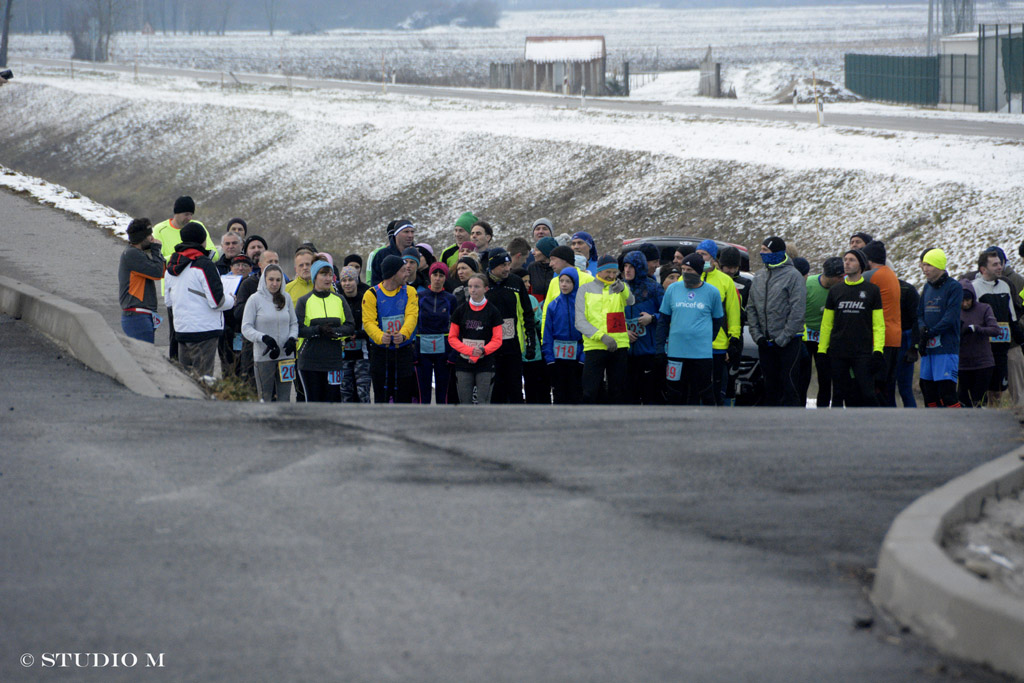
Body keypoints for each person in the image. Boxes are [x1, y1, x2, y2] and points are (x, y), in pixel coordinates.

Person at [164, 222, 235, 377]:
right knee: (203, 379)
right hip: (204, 332)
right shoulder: (204, 264)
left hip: (182, 331)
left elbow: (168, 302)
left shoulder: (172, 266)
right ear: (202, 241)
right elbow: (217, 303)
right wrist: (232, 299)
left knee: (186, 380)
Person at [816, 250, 885, 407]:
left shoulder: (872, 290)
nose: (846, 263)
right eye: (845, 259)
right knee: (838, 393)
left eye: (851, 260)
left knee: (867, 392)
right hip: (838, 350)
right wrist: (821, 350)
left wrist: (879, 350)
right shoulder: (835, 290)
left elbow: (878, 324)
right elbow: (827, 323)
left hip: (862, 351)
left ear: (860, 265)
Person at [656, 253, 725, 405]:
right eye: (684, 269)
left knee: (704, 392)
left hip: (701, 354)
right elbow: (663, 321)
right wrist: (660, 348)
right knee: (674, 393)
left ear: (699, 271)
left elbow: (718, 320)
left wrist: (706, 339)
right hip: (676, 353)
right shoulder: (673, 289)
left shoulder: (712, 292)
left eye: (690, 270)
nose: (686, 274)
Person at [153, 196, 215, 360]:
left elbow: (211, 252)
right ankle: (175, 363)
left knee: (196, 329)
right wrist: (182, 257)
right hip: (174, 289)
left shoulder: (198, 227)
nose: (189, 218)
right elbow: (156, 258)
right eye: (186, 214)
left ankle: (195, 364)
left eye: (191, 214)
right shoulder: (160, 229)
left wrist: (188, 256)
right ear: (176, 213)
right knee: (176, 331)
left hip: (197, 287)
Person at [747, 236, 806, 407]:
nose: (761, 253)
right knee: (769, 386)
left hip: (788, 342)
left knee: (789, 385)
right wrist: (757, 336)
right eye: (761, 249)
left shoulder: (793, 276)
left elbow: (797, 310)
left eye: (766, 250)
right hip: (765, 342)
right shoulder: (759, 276)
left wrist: (783, 338)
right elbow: (751, 308)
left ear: (777, 252)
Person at [295, 261, 355, 403]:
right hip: (310, 361)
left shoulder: (339, 299)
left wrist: (335, 332)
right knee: (314, 403)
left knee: (333, 401)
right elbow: (298, 329)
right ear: (315, 277)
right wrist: (318, 330)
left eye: (330, 275)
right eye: (323, 274)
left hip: (333, 361)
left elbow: (350, 325)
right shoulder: (304, 300)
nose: (328, 278)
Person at [576, 255, 633, 403]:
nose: (611, 276)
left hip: (619, 346)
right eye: (608, 272)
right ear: (599, 271)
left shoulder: (621, 287)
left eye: (614, 272)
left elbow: (630, 301)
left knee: (618, 391)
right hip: (594, 346)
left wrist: (623, 290)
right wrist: (601, 336)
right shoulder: (585, 290)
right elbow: (580, 322)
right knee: (590, 391)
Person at [363, 255, 419, 403]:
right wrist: (380, 336)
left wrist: (403, 334)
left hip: (403, 350)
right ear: (393, 274)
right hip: (380, 352)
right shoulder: (371, 294)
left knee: (404, 395)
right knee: (382, 395)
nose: (407, 273)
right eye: (402, 270)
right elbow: (368, 322)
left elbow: (412, 316)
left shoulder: (410, 291)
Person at [484, 250, 537, 404]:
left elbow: (527, 314)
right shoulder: (483, 283)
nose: (507, 268)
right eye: (503, 265)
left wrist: (530, 344)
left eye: (508, 264)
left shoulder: (515, 282)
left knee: (515, 391)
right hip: (490, 347)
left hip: (513, 345)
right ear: (492, 266)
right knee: (495, 391)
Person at [241, 265, 298, 402]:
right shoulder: (255, 300)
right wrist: (263, 337)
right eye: (271, 279)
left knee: (284, 397)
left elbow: (294, 323)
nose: (274, 283)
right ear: (264, 280)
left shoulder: (287, 298)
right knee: (265, 396)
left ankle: (284, 423)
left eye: (278, 280)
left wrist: (292, 338)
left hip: (286, 356)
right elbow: (246, 327)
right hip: (264, 356)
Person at [695, 239, 742, 405]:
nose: (700, 257)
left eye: (704, 254)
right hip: (693, 344)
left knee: (716, 391)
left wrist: (734, 338)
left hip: (718, 344)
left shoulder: (726, 281)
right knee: (695, 390)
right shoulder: (687, 278)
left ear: (713, 257)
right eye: (698, 254)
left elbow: (733, 313)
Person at [918, 248, 964, 408]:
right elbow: (920, 314)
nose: (925, 269)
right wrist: (923, 330)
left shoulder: (954, 287)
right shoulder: (927, 287)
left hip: (946, 348)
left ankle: (958, 424)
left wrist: (930, 332)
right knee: (928, 391)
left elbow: (950, 318)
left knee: (947, 393)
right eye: (923, 265)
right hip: (929, 349)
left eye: (929, 265)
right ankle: (934, 425)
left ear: (939, 265)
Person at [448, 273, 504, 404]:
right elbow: (452, 338)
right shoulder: (460, 310)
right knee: (465, 402)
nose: (473, 290)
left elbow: (497, 339)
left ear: (486, 289)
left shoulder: (493, 311)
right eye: (470, 286)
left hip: (485, 362)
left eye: (477, 287)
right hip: (464, 362)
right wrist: (469, 351)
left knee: (483, 401)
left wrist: (482, 350)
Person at [972, 249, 1017, 405]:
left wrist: (1020, 338)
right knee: (983, 389)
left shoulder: (1005, 286)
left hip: (1002, 348)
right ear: (983, 269)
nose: (999, 267)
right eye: (995, 264)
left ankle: (995, 420)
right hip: (984, 348)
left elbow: (1012, 317)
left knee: (998, 391)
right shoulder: (975, 288)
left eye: (1000, 263)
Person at [800, 257, 844, 408]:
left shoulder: (840, 289)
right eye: (839, 277)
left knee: (825, 378)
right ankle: (798, 408)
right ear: (830, 276)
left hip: (825, 338)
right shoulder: (808, 284)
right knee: (803, 377)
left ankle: (823, 411)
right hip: (806, 336)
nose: (842, 280)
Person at [862, 241, 902, 406]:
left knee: (874, 386)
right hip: (894, 336)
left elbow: (848, 286)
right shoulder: (891, 274)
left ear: (868, 260)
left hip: (879, 338)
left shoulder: (871, 276)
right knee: (886, 386)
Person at [623, 250, 663, 404]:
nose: (627, 270)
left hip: (648, 352)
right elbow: (610, 316)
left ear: (639, 268)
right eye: (625, 266)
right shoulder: (620, 288)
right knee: (628, 399)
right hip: (625, 353)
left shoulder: (654, 288)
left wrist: (652, 318)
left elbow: (668, 315)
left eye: (631, 266)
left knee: (649, 398)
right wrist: (622, 332)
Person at [118, 218, 165, 343]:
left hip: (141, 316)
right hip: (137, 316)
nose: (152, 238)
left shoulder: (137, 254)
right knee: (145, 359)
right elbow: (157, 272)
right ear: (142, 237)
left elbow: (162, 270)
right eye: (149, 235)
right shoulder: (132, 254)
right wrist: (156, 249)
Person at [416, 262, 458, 404]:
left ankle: (443, 419)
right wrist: (414, 348)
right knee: (423, 390)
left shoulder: (450, 298)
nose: (438, 278)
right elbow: (413, 321)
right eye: (435, 275)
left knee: (443, 390)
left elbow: (455, 324)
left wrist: (453, 350)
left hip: (443, 347)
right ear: (430, 276)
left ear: (445, 278)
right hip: (423, 347)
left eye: (441, 275)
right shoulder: (419, 296)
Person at [542, 267, 585, 404]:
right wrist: (550, 359)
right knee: (559, 394)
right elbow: (547, 334)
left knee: (576, 394)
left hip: (577, 357)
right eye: (561, 281)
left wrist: (583, 358)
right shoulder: (552, 306)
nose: (564, 285)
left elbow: (587, 334)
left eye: (568, 281)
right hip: (558, 358)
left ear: (575, 283)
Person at [958, 280, 999, 407]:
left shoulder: (984, 308)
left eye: (968, 300)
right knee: (963, 400)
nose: (965, 304)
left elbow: (995, 330)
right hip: (962, 364)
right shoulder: (953, 311)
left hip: (983, 363)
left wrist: (977, 329)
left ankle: (982, 423)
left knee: (979, 399)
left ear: (973, 298)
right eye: (962, 300)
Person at [541, 245, 593, 335]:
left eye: (553, 259)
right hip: (559, 340)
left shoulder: (588, 280)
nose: (550, 264)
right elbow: (546, 314)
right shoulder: (554, 282)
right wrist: (544, 338)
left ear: (564, 259)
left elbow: (596, 312)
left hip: (584, 340)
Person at [338, 266, 371, 403]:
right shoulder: (338, 301)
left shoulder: (365, 300)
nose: (347, 283)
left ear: (356, 280)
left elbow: (371, 327)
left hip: (362, 355)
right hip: (343, 356)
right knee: (345, 394)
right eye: (344, 280)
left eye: (350, 279)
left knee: (363, 393)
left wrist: (357, 334)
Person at [896, 277, 920, 407]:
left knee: (904, 388)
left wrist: (914, 347)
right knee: (885, 388)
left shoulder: (907, 289)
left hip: (905, 336)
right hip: (884, 338)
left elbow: (917, 319)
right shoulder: (874, 288)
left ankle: (912, 422)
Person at [370, 219, 416, 286]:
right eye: (406, 232)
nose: (410, 235)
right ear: (396, 234)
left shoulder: (418, 254)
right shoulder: (382, 255)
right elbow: (375, 281)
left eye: (412, 232)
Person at [528, 236, 558, 302]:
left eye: (537, 250)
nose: (533, 253)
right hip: (536, 310)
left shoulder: (558, 269)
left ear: (546, 252)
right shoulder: (532, 267)